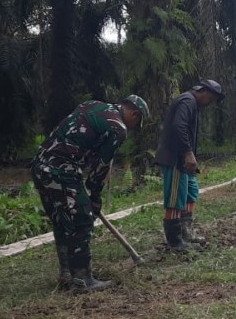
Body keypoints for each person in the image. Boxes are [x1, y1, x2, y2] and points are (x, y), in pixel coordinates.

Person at [31, 95, 149, 293]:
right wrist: (94, 197)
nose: (133, 127)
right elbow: (100, 167)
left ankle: (67, 274)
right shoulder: (117, 128)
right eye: (136, 123)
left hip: (40, 165)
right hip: (62, 169)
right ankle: (82, 279)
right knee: (83, 218)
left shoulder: (92, 105)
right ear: (134, 114)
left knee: (62, 219)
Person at [155, 79, 225, 250]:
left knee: (191, 192)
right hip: (175, 158)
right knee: (175, 199)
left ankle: (186, 231)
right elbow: (179, 126)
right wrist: (187, 153)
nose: (210, 103)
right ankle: (175, 241)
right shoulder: (187, 101)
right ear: (202, 91)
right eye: (210, 98)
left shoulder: (191, 102)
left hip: (184, 161)